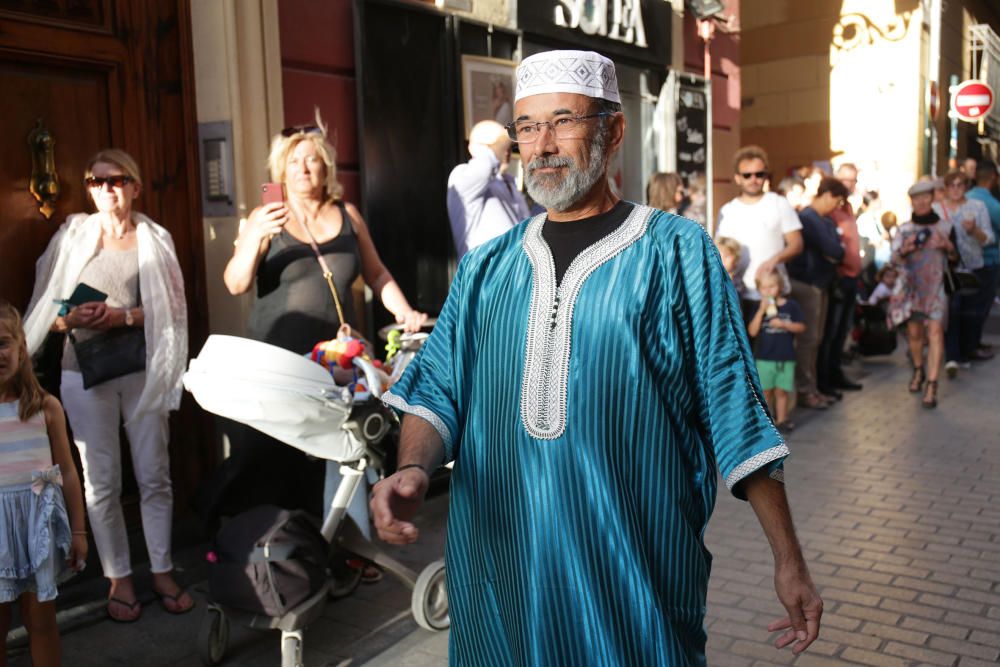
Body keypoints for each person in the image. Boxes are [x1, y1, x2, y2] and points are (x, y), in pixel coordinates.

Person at [371, 49, 822, 665]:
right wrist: (414, 469)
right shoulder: (485, 269)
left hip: (631, 582)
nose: (543, 143)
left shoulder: (677, 252)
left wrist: (788, 559)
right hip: (503, 580)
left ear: (613, 131)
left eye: (564, 120)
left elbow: (733, 404)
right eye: (527, 127)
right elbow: (437, 389)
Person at [219, 114, 427, 522]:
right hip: (280, 360)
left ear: (326, 167)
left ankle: (340, 545)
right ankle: (283, 552)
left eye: (312, 160)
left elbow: (377, 273)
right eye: (293, 161)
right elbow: (235, 283)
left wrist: (404, 312)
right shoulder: (264, 220)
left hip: (337, 362)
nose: (303, 169)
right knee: (277, 457)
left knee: (343, 454)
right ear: (280, 169)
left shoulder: (347, 215)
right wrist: (255, 238)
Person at [23, 149, 190, 622]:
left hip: (141, 367)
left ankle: (161, 568)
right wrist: (68, 318)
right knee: (100, 482)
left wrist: (125, 316)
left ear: (135, 187)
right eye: (96, 181)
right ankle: (118, 577)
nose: (106, 189)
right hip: (84, 371)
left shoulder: (155, 239)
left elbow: (174, 312)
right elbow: (44, 313)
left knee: (154, 473)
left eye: (117, 180)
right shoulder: (71, 237)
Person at [0, 303, 87, 666]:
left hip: (37, 528)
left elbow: (66, 471)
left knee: (42, 623)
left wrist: (79, 532)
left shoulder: (45, 407)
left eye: (3, 343)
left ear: (21, 345)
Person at [889, 180, 957, 409]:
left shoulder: (946, 227)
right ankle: (918, 369)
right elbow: (893, 259)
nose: (921, 201)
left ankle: (932, 383)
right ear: (912, 201)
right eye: (916, 197)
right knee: (915, 334)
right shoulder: (904, 229)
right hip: (912, 289)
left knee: (936, 331)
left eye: (925, 196)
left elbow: (956, 260)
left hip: (936, 287)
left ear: (932, 198)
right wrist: (905, 249)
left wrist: (948, 247)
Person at [716, 146, 804, 323]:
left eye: (759, 174)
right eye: (747, 175)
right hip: (737, 295)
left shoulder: (779, 203)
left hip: (773, 292)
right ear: (737, 178)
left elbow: (797, 244)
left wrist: (773, 261)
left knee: (773, 349)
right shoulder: (728, 210)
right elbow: (719, 252)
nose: (754, 179)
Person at [786, 177, 847, 408]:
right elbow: (831, 249)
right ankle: (805, 389)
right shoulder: (808, 218)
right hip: (807, 283)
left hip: (820, 283)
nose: (837, 207)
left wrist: (834, 253)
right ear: (827, 195)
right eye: (837, 201)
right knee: (808, 340)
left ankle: (811, 387)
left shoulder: (824, 220)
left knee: (816, 340)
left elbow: (837, 252)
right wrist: (833, 253)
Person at [933, 170, 994, 377]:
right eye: (952, 185)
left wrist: (974, 231)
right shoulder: (937, 210)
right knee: (953, 308)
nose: (956, 189)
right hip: (947, 268)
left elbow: (989, 238)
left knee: (970, 312)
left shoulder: (977, 207)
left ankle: (962, 351)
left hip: (972, 266)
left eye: (960, 185)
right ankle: (952, 356)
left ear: (966, 186)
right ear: (946, 188)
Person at [447, 119, 531, 259]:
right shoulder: (461, 176)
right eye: (498, 145)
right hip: (485, 276)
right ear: (474, 148)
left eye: (509, 146)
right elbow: (486, 164)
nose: (507, 151)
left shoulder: (510, 183)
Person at [817, 163, 865, 396]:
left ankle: (836, 373)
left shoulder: (848, 208)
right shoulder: (831, 210)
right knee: (830, 331)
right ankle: (825, 379)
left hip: (852, 277)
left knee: (842, 330)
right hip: (838, 278)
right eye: (845, 181)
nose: (850, 185)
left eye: (853, 181)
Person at [747, 270, 806, 434]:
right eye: (763, 288)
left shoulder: (791, 306)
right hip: (764, 358)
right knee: (765, 391)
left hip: (785, 357)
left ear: (779, 286)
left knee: (782, 390)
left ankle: (782, 419)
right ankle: (767, 421)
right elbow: (752, 332)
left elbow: (801, 327)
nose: (768, 291)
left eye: (771, 286)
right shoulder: (758, 307)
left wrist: (784, 325)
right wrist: (760, 311)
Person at [964, 160, 1000, 354]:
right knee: (981, 304)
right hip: (988, 259)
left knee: (971, 303)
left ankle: (972, 342)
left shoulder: (966, 198)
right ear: (993, 178)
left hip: (969, 260)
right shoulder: (992, 204)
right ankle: (972, 344)